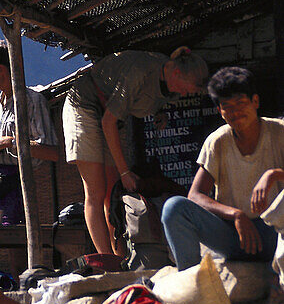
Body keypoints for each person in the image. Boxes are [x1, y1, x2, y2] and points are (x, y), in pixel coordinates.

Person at [62, 47, 208, 256]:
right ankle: (107, 263)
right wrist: (125, 172)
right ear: (176, 73)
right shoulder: (140, 71)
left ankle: (120, 257)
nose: (184, 94)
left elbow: (152, 96)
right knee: (96, 192)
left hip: (106, 114)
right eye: (186, 89)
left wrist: (160, 112)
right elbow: (108, 121)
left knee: (111, 194)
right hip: (84, 106)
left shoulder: (168, 75)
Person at [161, 66, 284, 270]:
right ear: (219, 111)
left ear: (255, 102)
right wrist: (236, 214)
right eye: (227, 106)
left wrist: (273, 175)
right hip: (235, 237)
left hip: (277, 234)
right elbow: (195, 195)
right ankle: (192, 282)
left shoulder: (279, 132)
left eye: (241, 103)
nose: (235, 112)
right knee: (174, 208)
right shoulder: (218, 141)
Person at [0, 38, 57, 223]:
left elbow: (52, 152)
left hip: (19, 184)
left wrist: (12, 142)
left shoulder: (32, 101)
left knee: (14, 242)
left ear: (1, 69)